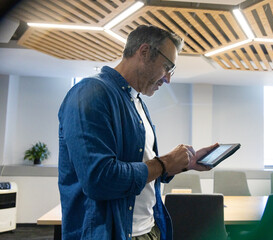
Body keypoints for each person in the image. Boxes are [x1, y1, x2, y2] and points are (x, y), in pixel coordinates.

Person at [58, 25, 217, 240]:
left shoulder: (137, 102)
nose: (168, 79)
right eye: (167, 67)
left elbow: (138, 164)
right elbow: (99, 179)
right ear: (143, 52)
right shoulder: (90, 93)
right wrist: (163, 163)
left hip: (148, 229)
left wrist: (180, 164)